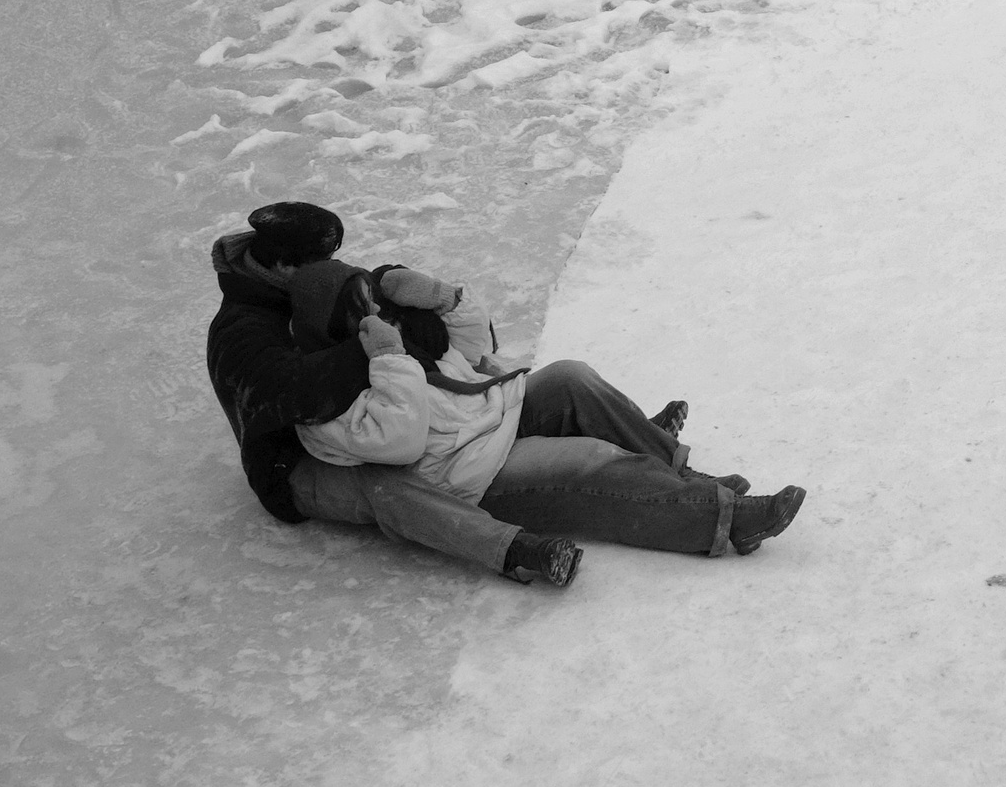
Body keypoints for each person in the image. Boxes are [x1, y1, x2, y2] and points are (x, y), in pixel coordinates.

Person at [284, 239, 805, 567]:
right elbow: (400, 443)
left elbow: (474, 351)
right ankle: (725, 519)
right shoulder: (320, 400)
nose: (374, 307)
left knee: (570, 377)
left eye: (368, 294)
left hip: (494, 415)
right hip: (470, 474)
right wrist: (389, 360)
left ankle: (689, 478)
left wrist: (443, 299)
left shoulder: (384, 340)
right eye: (359, 304)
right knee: (588, 462)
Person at [207, 202, 567, 586]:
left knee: (410, 437)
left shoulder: (293, 281)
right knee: (387, 486)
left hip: (351, 432)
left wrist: (392, 288)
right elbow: (294, 390)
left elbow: (339, 290)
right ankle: (513, 551)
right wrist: (376, 343)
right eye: (322, 259)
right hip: (291, 463)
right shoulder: (241, 333)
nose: (329, 263)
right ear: (284, 266)